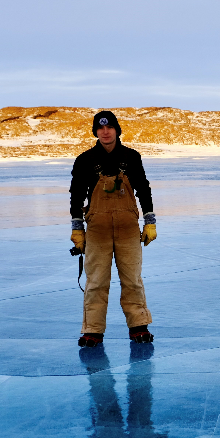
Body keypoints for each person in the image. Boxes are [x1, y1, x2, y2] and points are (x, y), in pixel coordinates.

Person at [70, 110, 157, 347]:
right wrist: (77, 228)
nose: (105, 132)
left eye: (109, 128)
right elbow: (76, 196)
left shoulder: (132, 157)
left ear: (117, 130)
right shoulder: (84, 160)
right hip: (97, 229)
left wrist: (150, 221)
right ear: (96, 132)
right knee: (96, 281)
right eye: (100, 128)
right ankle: (92, 330)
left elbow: (143, 189)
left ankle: (139, 327)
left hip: (128, 227)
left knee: (132, 279)